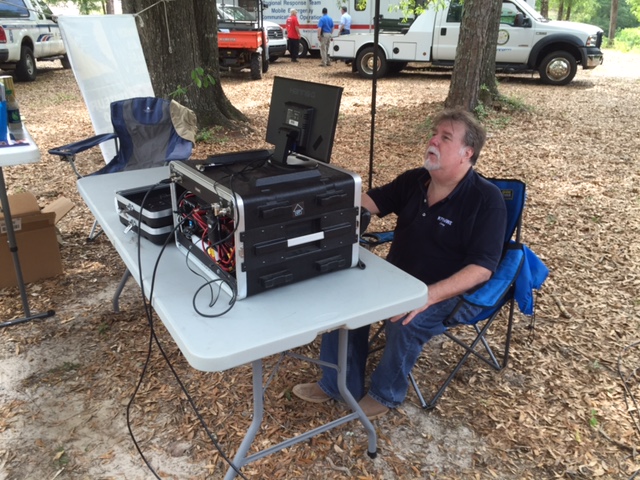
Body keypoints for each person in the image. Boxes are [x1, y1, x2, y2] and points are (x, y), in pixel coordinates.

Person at [292, 109, 508, 419]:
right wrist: (320, 206)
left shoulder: (486, 200)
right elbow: (367, 202)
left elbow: (482, 269)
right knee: (343, 297)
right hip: (397, 278)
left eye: (445, 137)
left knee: (404, 320)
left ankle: (385, 394)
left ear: (467, 153)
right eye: (434, 133)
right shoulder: (415, 180)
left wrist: (429, 296)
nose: (433, 139)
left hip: (450, 292)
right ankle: (337, 384)